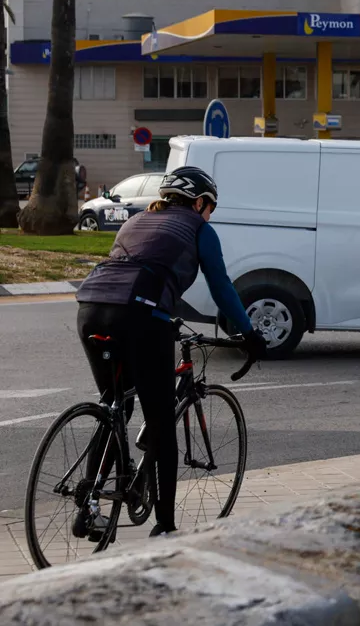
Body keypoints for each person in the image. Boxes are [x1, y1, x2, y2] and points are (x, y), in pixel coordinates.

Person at [74, 166, 266, 538]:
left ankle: (90, 505)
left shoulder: (138, 221)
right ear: (198, 202)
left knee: (115, 404)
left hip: (91, 306)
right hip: (142, 315)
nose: (210, 215)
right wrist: (249, 332)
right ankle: (164, 526)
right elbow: (221, 286)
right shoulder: (199, 229)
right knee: (162, 424)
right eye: (211, 207)